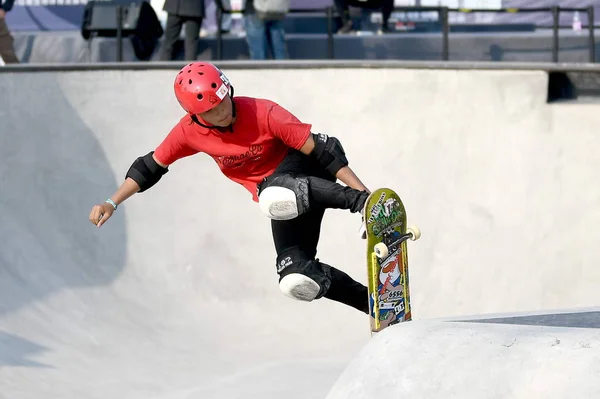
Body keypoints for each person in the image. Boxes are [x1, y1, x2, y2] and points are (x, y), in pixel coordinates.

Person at [88, 62, 371, 314]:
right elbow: (149, 167)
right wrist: (111, 202)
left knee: (272, 192)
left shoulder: (263, 112)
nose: (222, 112)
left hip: (309, 168)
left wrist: (366, 199)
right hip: (282, 198)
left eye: (223, 101)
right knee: (295, 276)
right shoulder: (188, 132)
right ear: (193, 114)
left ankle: (365, 205)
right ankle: (374, 305)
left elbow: (323, 152)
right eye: (211, 111)